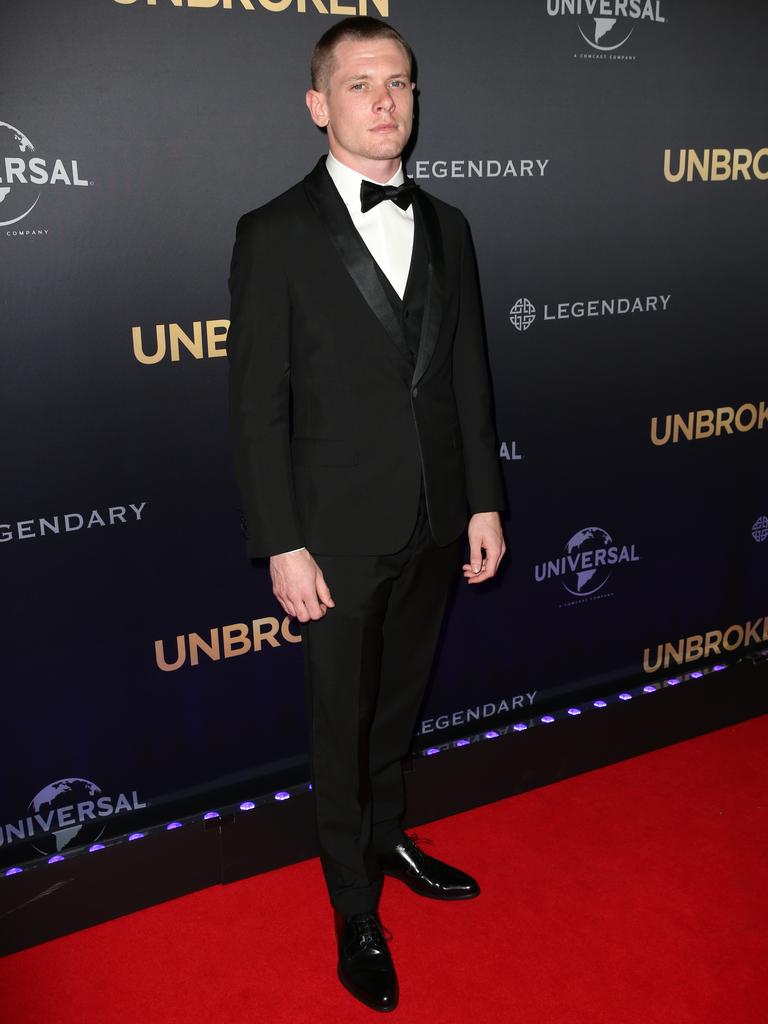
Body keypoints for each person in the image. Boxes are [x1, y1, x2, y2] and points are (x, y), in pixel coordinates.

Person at [227, 15, 506, 1012]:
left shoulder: (452, 226)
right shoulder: (274, 232)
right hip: (333, 536)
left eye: (400, 81)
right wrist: (282, 540)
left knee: (396, 704)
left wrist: (482, 499)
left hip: (436, 519)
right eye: (360, 84)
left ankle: (389, 834)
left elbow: (468, 377)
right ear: (319, 106)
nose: (385, 99)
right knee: (338, 719)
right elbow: (257, 406)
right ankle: (353, 904)